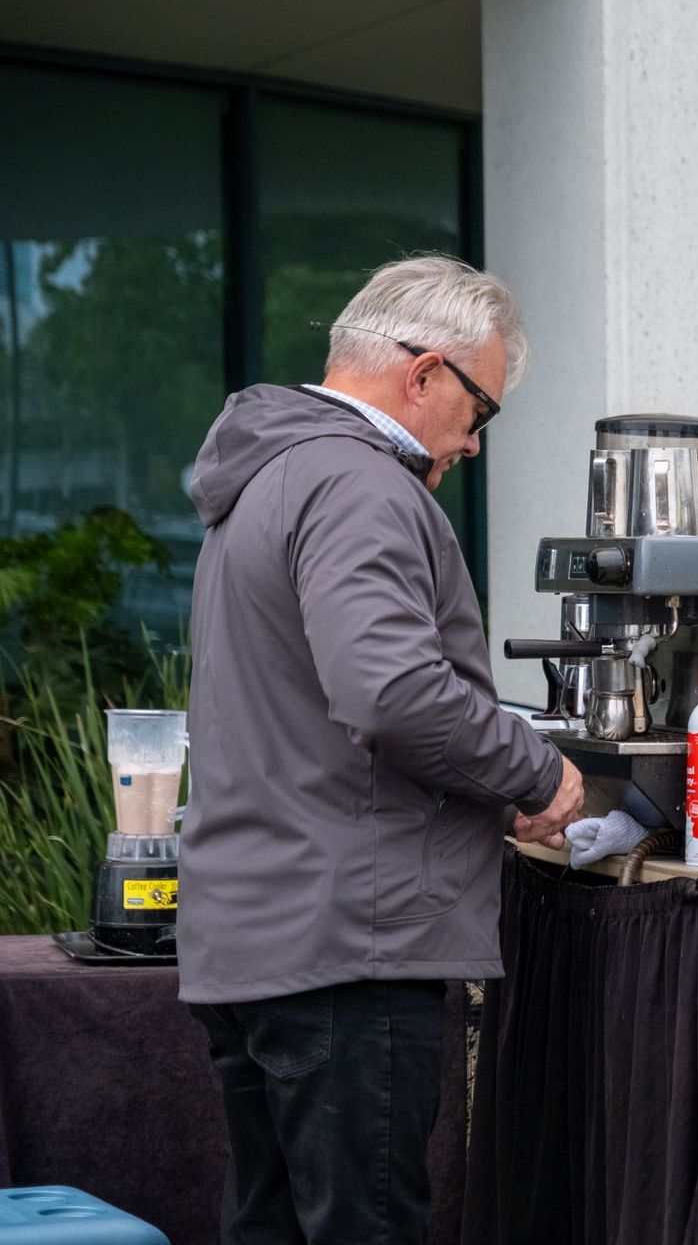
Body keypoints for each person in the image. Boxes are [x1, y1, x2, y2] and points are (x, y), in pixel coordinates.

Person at [179, 254, 584, 1244]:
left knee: (269, 1226)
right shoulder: (358, 482)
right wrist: (538, 769)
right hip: (346, 945)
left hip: (252, 932)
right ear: (424, 373)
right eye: (481, 408)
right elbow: (393, 689)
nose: (476, 443)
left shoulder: (264, 474)